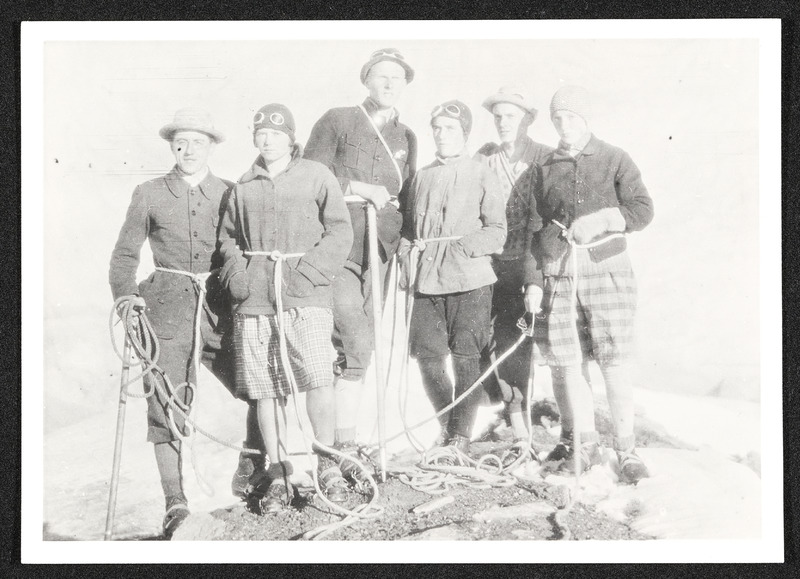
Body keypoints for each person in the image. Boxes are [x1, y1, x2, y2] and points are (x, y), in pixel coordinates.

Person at [108, 108, 244, 538]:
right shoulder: (149, 192)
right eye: (180, 143)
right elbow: (124, 256)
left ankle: (255, 474)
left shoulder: (231, 192)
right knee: (166, 405)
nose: (188, 150)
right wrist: (127, 298)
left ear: (212, 147)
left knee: (257, 385)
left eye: (197, 142)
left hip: (221, 308)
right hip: (166, 308)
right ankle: (175, 504)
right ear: (172, 147)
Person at [218, 104, 353, 512]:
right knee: (266, 388)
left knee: (318, 377)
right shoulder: (243, 185)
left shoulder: (316, 175)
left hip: (305, 295)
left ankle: (327, 461)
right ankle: (279, 472)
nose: (267, 140)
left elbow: (340, 230)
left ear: (291, 138)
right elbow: (227, 240)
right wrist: (239, 278)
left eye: (276, 133)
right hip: (256, 300)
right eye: (261, 132)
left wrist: (308, 273)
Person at [523, 86, 654, 484]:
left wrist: (602, 220)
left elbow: (642, 209)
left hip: (606, 269)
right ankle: (585, 446)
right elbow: (533, 229)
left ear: (586, 119)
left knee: (613, 361)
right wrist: (534, 282)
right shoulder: (544, 168)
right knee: (567, 362)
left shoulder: (614, 158)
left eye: (572, 118)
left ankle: (626, 451)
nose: (564, 126)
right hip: (559, 273)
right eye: (557, 119)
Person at [304, 48, 417, 472]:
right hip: (342, 247)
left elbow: (408, 197)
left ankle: (346, 445)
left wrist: (406, 242)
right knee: (350, 337)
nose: (388, 84)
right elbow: (309, 176)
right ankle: (332, 450)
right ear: (366, 80)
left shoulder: (407, 137)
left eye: (397, 78)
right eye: (381, 76)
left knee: (363, 346)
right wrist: (357, 187)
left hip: (381, 252)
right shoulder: (338, 120)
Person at [399, 100, 506, 456]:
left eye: (450, 129)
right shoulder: (421, 176)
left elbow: (497, 230)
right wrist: (407, 254)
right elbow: (408, 230)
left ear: (464, 133)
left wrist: (462, 248)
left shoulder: (481, 173)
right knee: (428, 359)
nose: (442, 135)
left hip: (470, 279)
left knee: (465, 358)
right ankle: (448, 427)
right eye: (437, 128)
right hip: (427, 279)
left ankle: (462, 436)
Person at [474, 87, 554, 448]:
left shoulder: (545, 158)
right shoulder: (484, 158)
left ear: (528, 120)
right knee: (490, 340)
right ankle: (509, 416)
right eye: (498, 117)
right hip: (492, 264)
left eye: (511, 116)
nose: (503, 123)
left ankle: (533, 425)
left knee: (527, 341)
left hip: (533, 263)